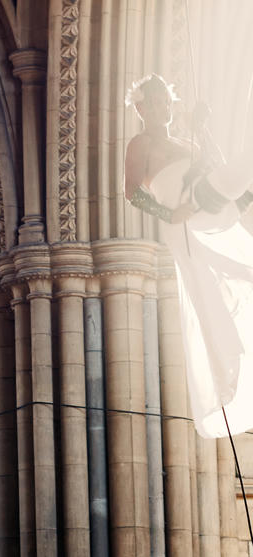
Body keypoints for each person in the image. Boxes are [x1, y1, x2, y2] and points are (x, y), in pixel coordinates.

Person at [124, 74, 253, 438]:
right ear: (141, 108)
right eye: (155, 102)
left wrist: (202, 129)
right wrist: (169, 213)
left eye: (166, 101)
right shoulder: (141, 143)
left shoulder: (185, 141)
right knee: (213, 293)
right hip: (186, 218)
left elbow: (217, 165)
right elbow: (131, 192)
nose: (163, 107)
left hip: (210, 203)